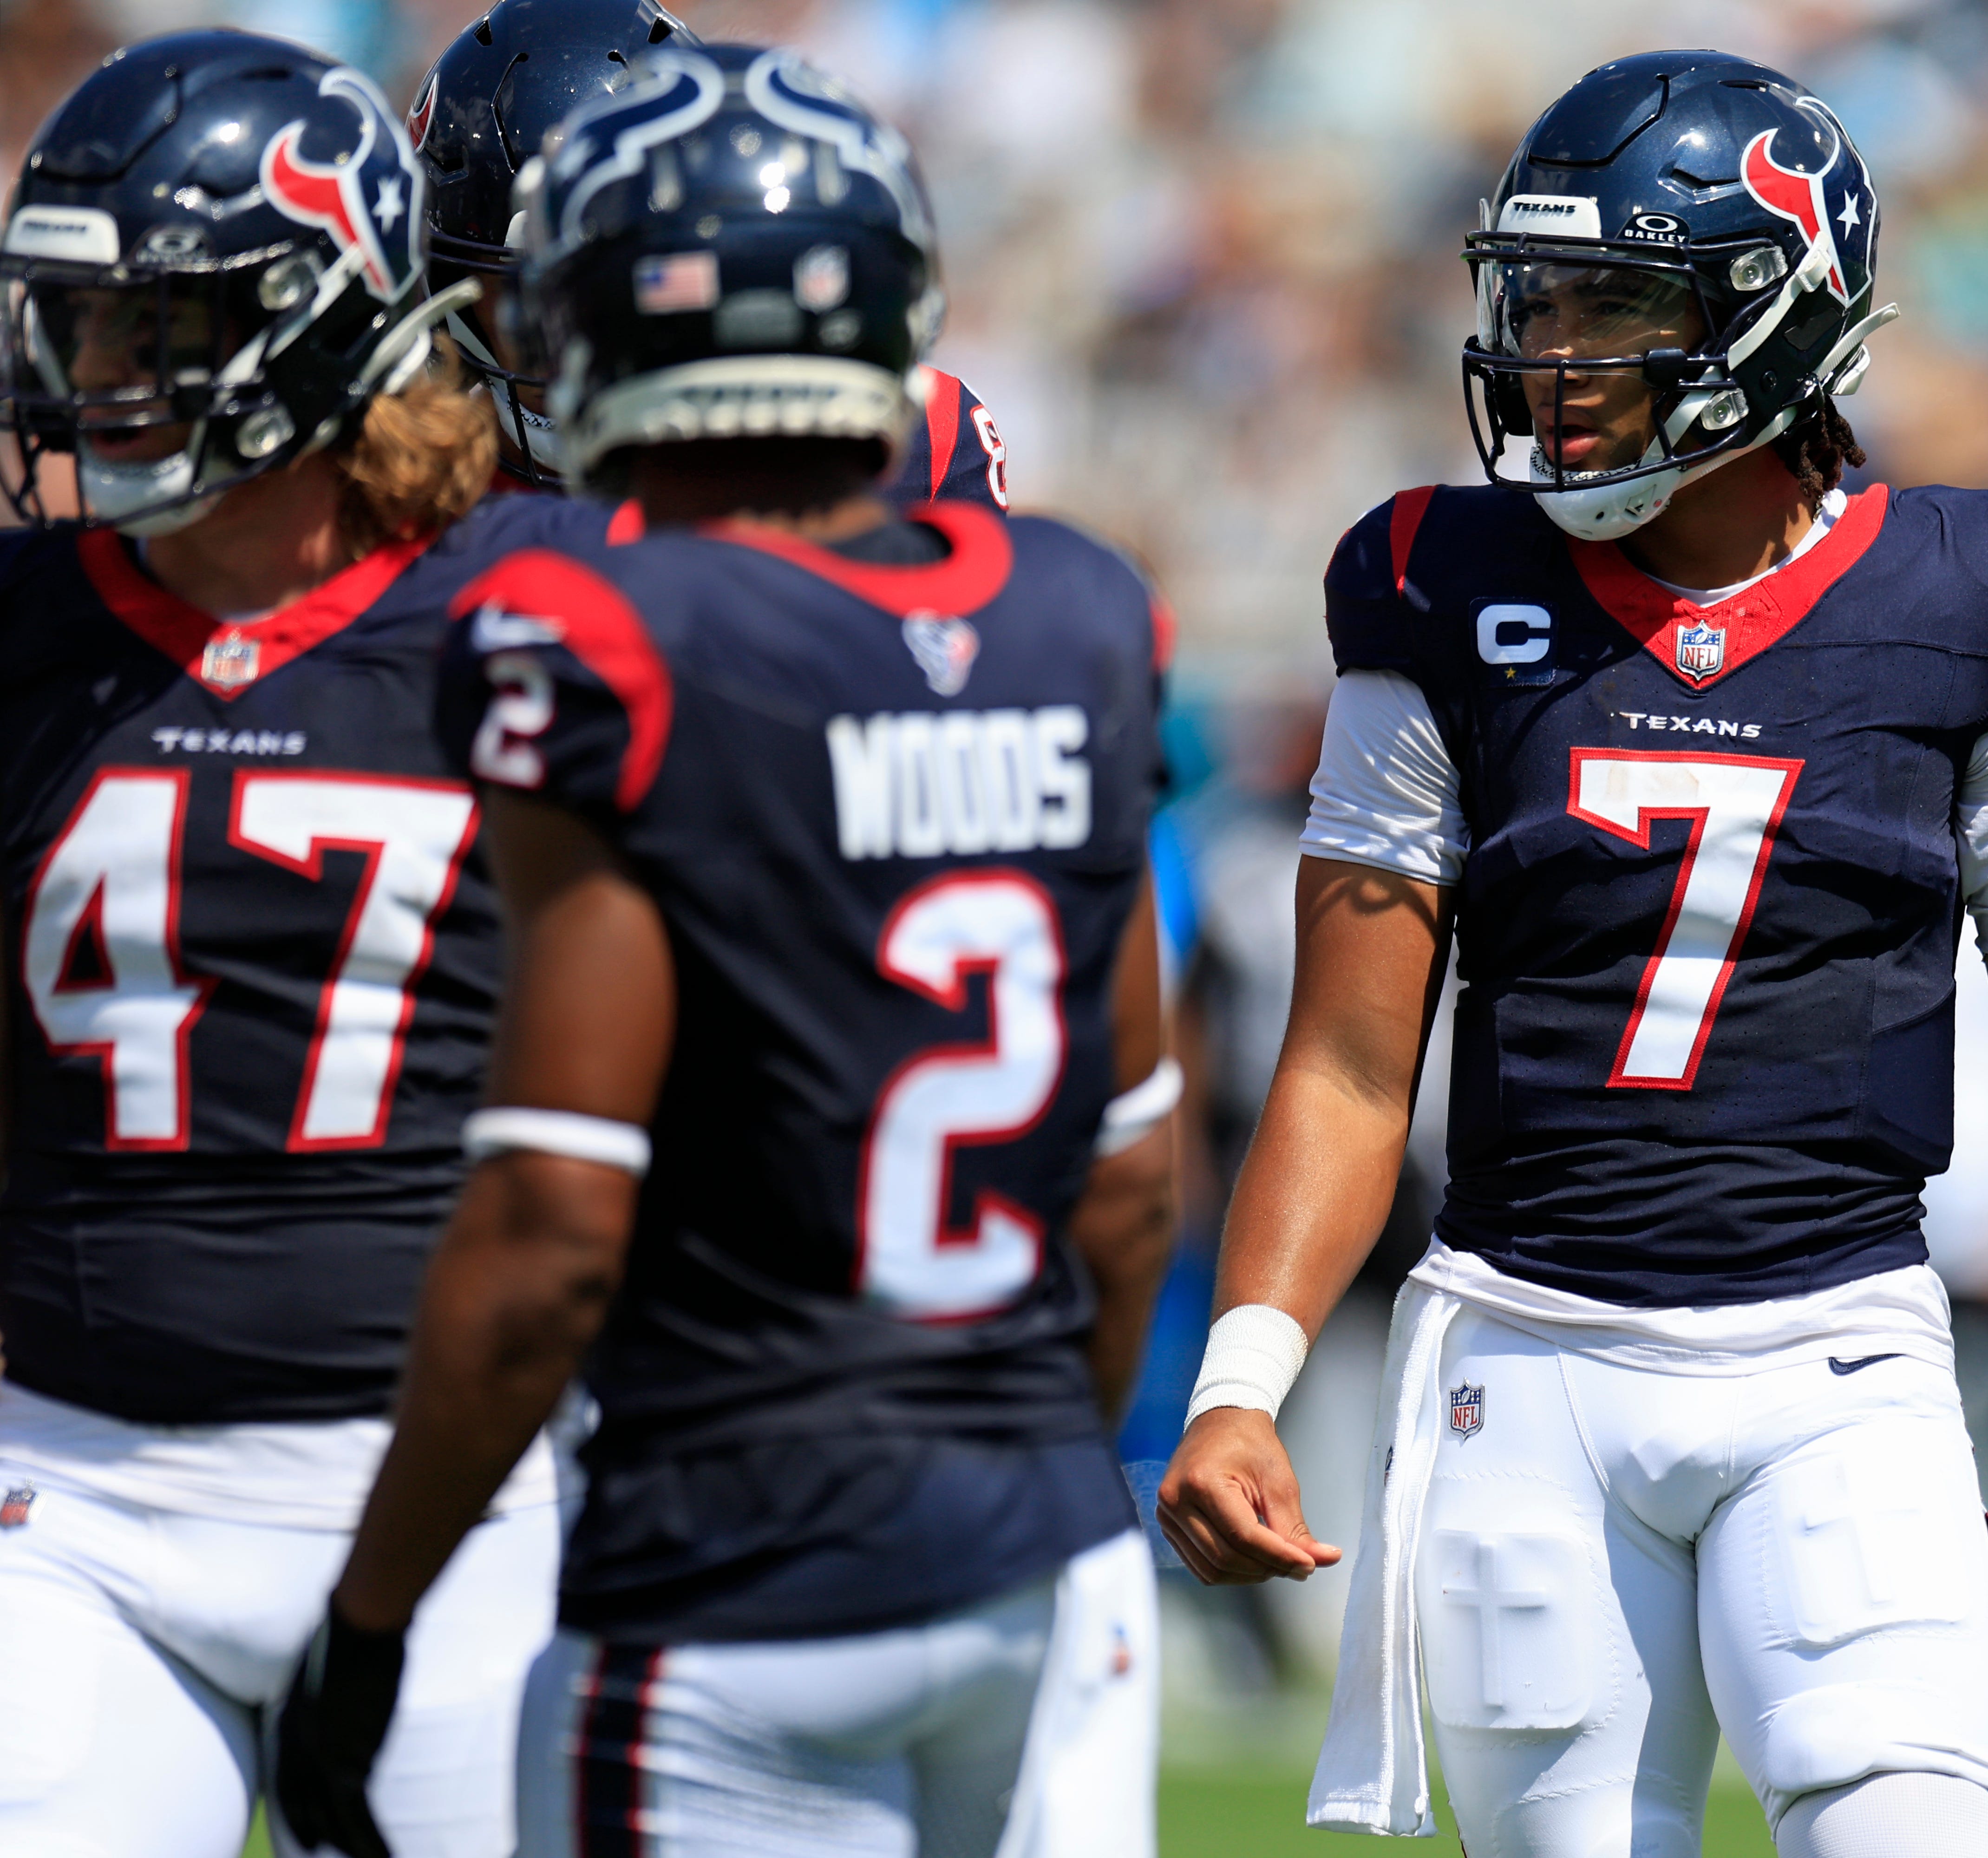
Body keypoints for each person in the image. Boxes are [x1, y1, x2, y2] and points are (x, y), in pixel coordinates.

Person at [1157, 50, 1988, 1858]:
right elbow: (1354, 1063)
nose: (1554, 361)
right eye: (1537, 303)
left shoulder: (1977, 596)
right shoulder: (1440, 585)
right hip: (1525, 1368)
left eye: (1616, 308)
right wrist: (1239, 1383)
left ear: (1778, 320)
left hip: (1839, 1360)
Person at [270, 45, 1174, 1858]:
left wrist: (368, 1624)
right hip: (1030, 1524)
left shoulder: (589, 618)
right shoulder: (1074, 606)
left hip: (728, 1532)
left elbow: (550, 1228)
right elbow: (1137, 1172)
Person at [0, 30, 616, 1857]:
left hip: (460, 1494)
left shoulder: (542, 612)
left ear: (328, 315)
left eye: (154, 328)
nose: (94, 380)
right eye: (80, 325)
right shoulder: (26, 622)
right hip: (70, 1492)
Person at [413, 0, 1011, 513]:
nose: (558, 340)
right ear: (450, 292)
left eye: (607, 294)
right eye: (525, 295)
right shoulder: (395, 493)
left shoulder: (904, 444)